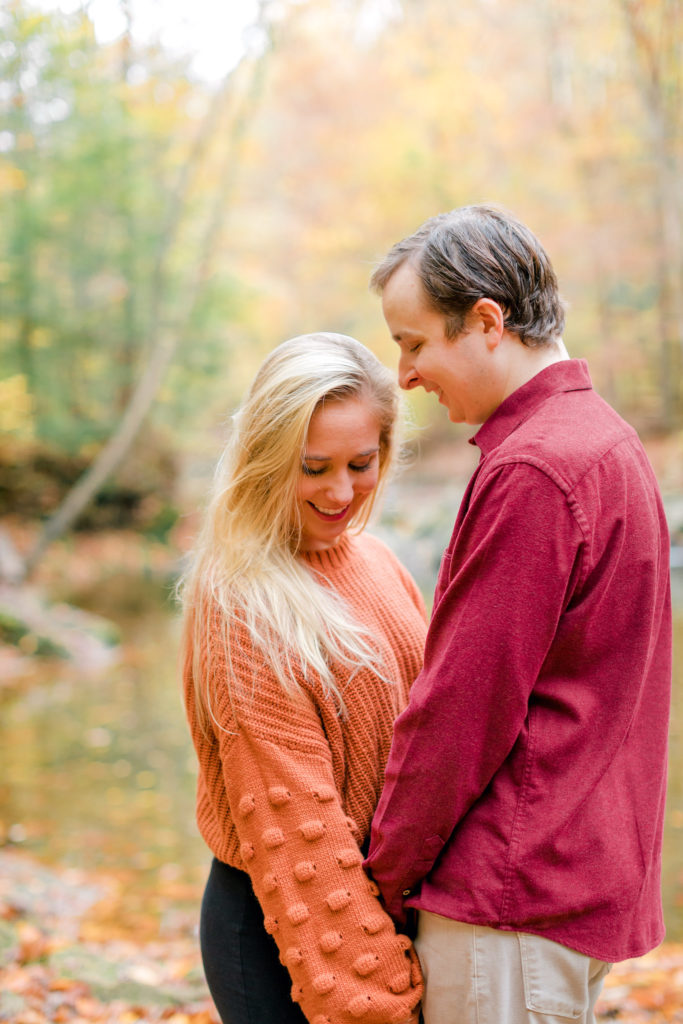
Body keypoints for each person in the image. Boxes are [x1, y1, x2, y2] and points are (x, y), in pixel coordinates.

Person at [364, 205, 672, 1024]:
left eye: (414, 342)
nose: (405, 375)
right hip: (568, 887)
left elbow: (460, 711)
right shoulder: (605, 441)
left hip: (505, 905)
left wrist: (383, 877)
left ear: (487, 322)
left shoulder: (536, 467)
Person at [180, 332, 426, 1024]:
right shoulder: (242, 604)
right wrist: (379, 1005)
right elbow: (301, 839)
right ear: (263, 457)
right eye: (312, 467)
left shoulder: (375, 559)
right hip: (286, 924)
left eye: (361, 462)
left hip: (381, 913)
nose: (341, 491)